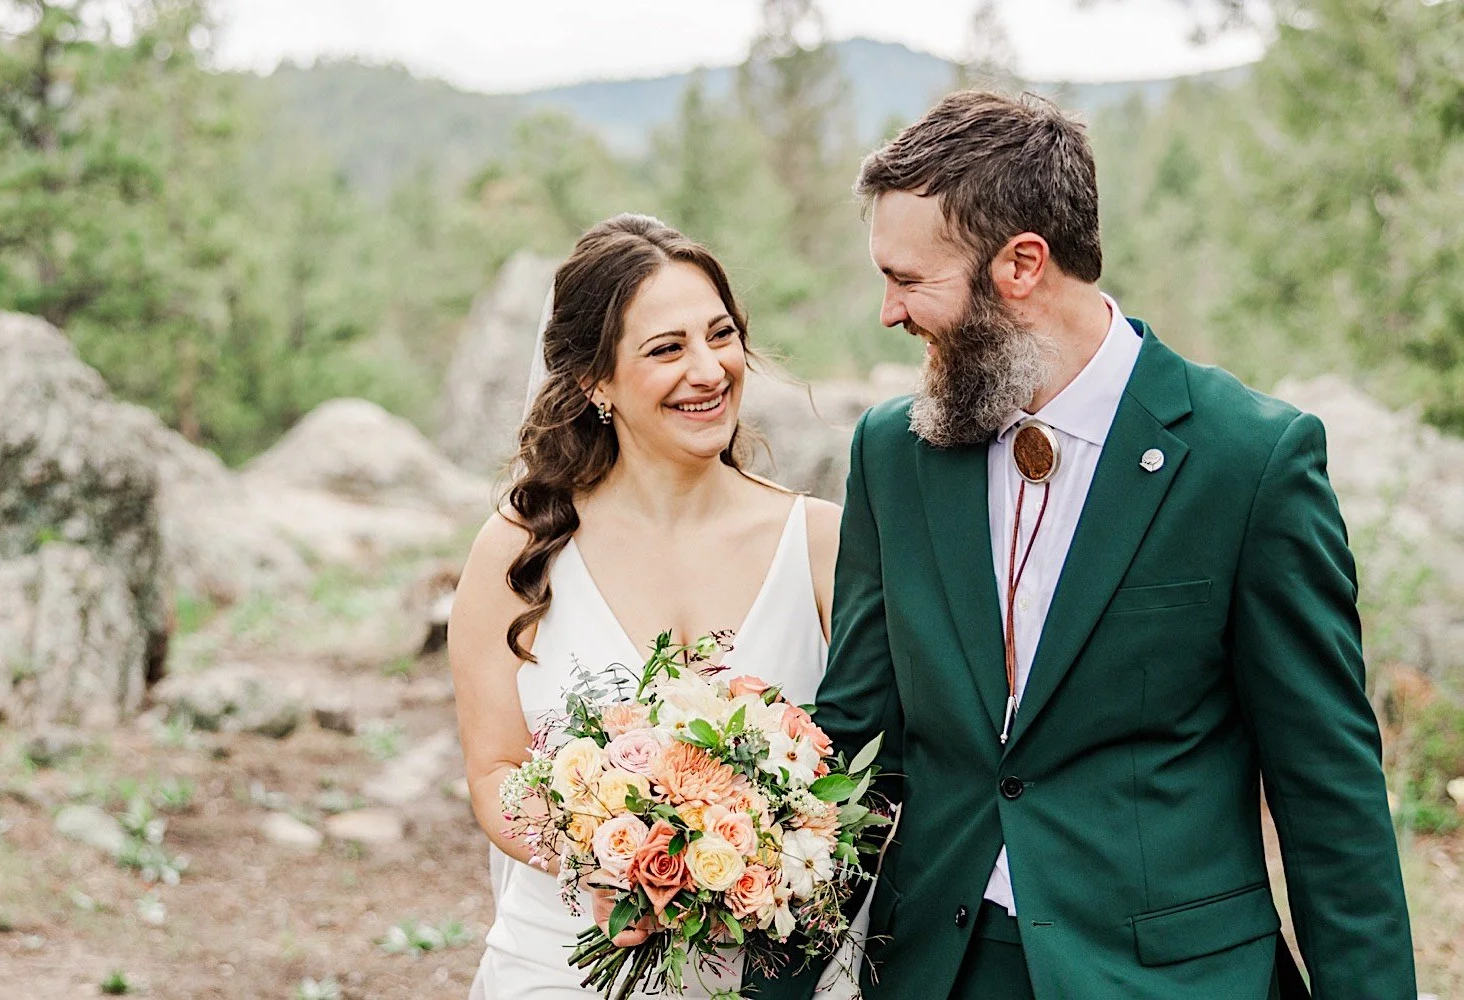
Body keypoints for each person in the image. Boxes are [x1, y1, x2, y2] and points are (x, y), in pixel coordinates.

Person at [746, 91, 1414, 1000]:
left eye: (908, 279)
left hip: (1167, 980)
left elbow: (1327, 792)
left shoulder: (1249, 461)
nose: (888, 313)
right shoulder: (891, 452)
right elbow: (857, 751)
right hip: (943, 969)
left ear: (1023, 263)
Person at [449, 214, 862, 998]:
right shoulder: (516, 551)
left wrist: (760, 850)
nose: (708, 370)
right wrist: (602, 854)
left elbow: (872, 772)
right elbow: (496, 770)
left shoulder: (820, 545)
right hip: (563, 966)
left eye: (721, 335)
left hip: (770, 975)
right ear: (593, 381)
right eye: (667, 349)